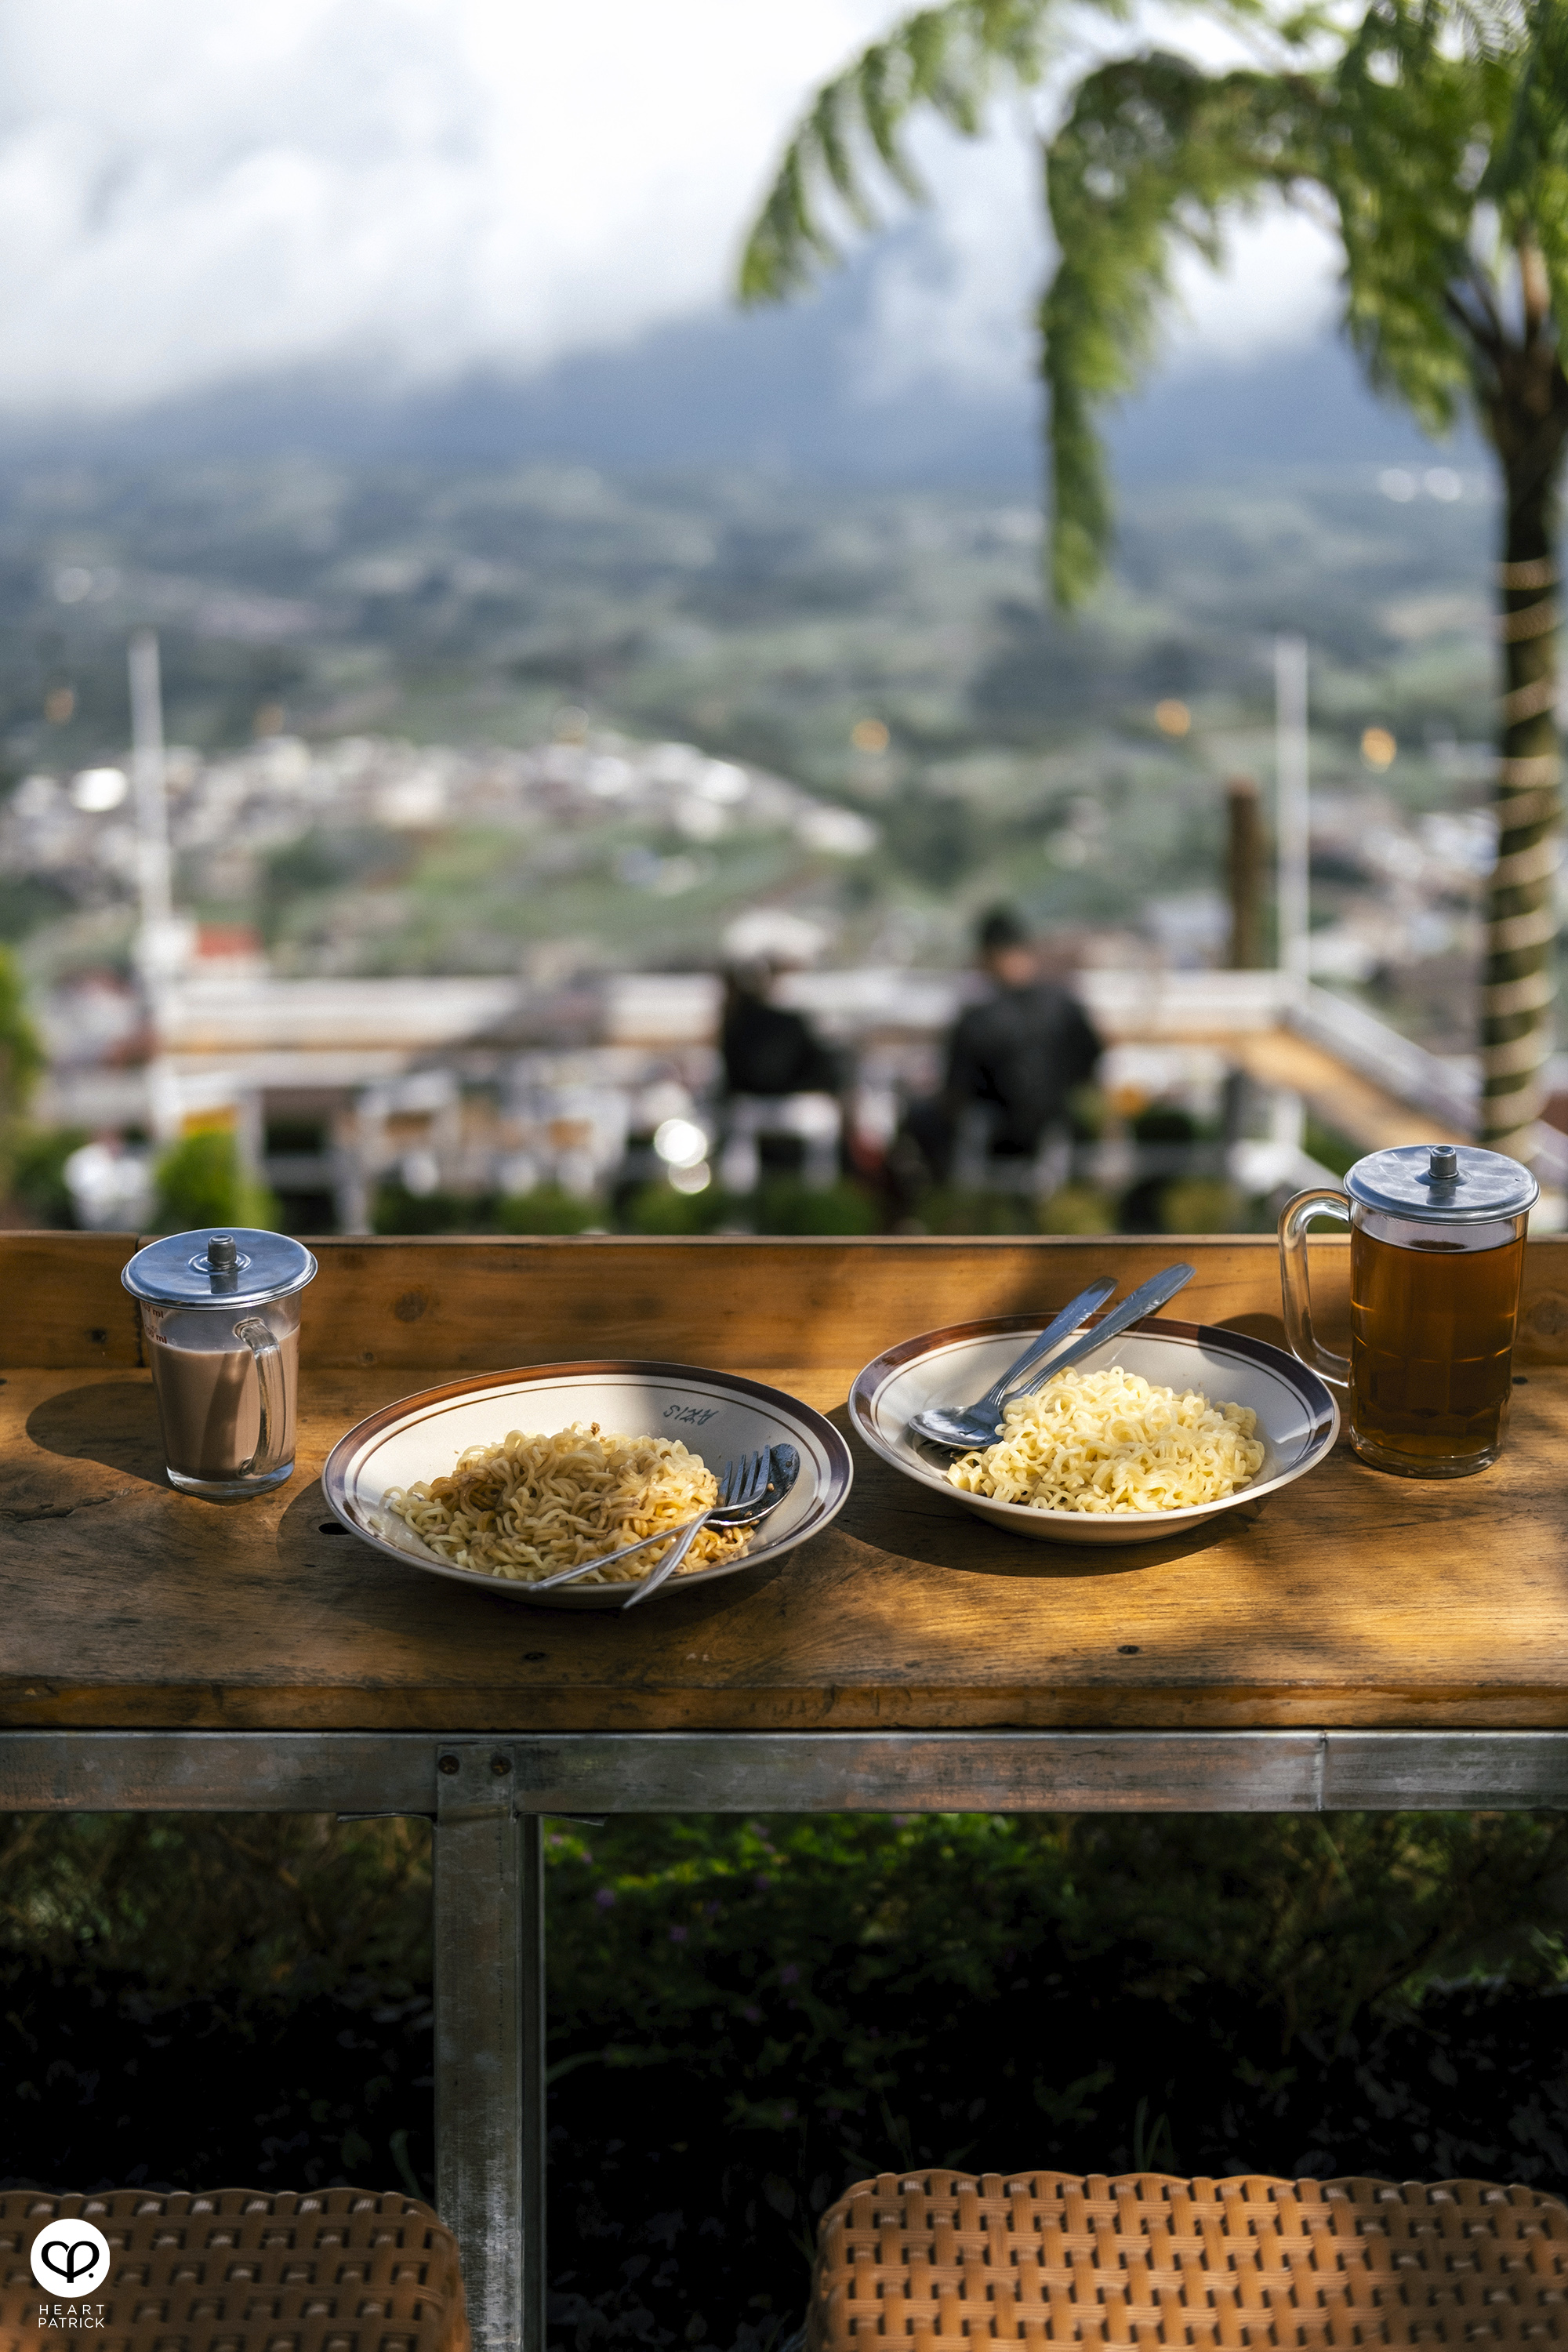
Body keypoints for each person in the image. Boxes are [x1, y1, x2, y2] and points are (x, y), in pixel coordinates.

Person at [904, 908, 1102, 1188]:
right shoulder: (1064, 1005)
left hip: (994, 1141)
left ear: (988, 957)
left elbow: (956, 1094)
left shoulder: (978, 1019)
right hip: (1058, 1134)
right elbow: (1091, 1067)